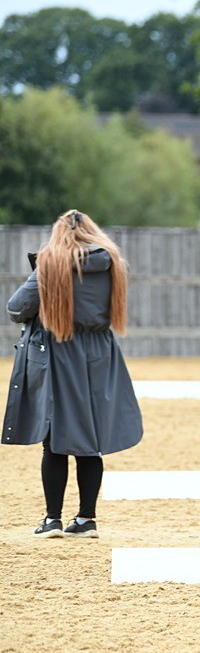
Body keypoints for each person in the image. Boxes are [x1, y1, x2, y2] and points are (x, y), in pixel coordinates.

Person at [4, 210, 143, 538]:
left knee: (54, 437)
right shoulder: (113, 265)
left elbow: (16, 308)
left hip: (59, 352)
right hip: (99, 354)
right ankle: (86, 519)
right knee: (90, 438)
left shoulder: (50, 264)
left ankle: (52, 518)